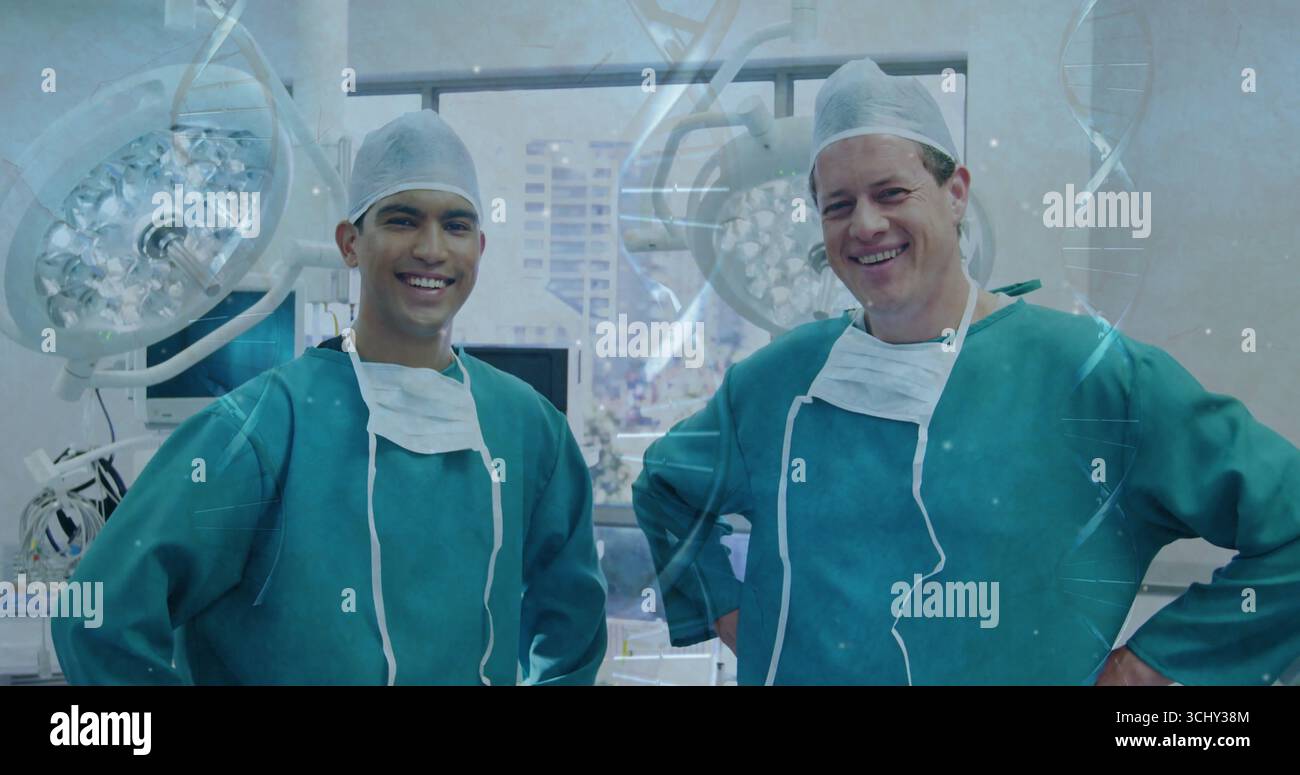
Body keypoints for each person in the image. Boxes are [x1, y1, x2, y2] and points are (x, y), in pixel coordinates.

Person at [632, 58, 1300, 685]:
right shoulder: (778, 383)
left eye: (892, 192)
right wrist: (740, 621)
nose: (865, 224)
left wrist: (1151, 666)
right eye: (838, 205)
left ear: (956, 193)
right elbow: (666, 485)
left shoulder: (1092, 378)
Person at [53, 110, 608, 685]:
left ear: (479, 247)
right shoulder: (260, 431)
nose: (432, 248)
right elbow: (94, 614)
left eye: (457, 225)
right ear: (350, 243)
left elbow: (572, 634)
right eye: (402, 220)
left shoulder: (529, 431)